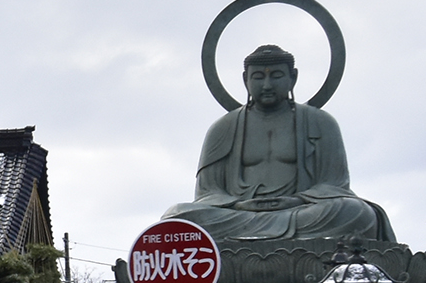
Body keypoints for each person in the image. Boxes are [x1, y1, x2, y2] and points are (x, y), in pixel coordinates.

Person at [162, 44, 395, 247]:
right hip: (238, 214)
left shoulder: (321, 122)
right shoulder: (223, 128)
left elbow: (335, 185)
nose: (267, 84)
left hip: (300, 212)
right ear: (245, 80)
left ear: (293, 77)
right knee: (176, 218)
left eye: (276, 75)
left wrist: (297, 200)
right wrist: (241, 205)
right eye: (258, 77)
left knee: (356, 213)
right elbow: (208, 192)